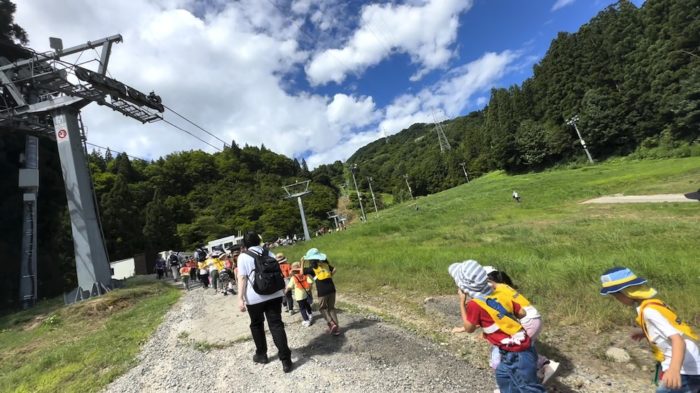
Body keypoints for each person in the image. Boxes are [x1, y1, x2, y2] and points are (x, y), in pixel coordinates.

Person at [449, 260, 545, 393]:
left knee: (529, 388)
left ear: (464, 287)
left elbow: (469, 328)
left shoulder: (475, 304)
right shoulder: (499, 293)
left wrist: (462, 302)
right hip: (520, 346)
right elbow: (522, 313)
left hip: (515, 353)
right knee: (503, 375)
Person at [600, 267, 699, 393]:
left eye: (615, 295)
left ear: (625, 293)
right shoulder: (654, 304)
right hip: (690, 364)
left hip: (683, 368)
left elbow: (678, 340)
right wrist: (645, 332)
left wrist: (674, 369)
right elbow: (672, 327)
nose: (617, 299)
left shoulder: (649, 311)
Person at [482, 266, 559, 384]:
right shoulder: (504, 287)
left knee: (507, 353)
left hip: (527, 321)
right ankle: (541, 367)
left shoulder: (494, 289)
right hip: (534, 319)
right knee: (523, 351)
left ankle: (511, 385)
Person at [237, 231, 292, 373]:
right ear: (258, 241)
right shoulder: (269, 253)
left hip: (254, 298)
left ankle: (261, 355)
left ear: (245, 243)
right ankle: (286, 361)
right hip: (274, 294)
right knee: (276, 325)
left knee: (256, 324)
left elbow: (242, 278)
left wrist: (240, 298)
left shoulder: (243, 256)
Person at [303, 248, 339, 336]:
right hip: (332, 288)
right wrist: (330, 276)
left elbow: (301, 271)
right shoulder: (325, 265)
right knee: (331, 308)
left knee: (322, 308)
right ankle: (336, 329)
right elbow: (334, 269)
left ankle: (331, 323)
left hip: (322, 291)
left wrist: (302, 262)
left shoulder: (312, 268)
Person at [286, 262, 314, 327]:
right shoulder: (305, 275)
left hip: (299, 296)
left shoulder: (293, 278)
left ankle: (306, 321)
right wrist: (309, 289)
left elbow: (289, 287)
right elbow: (311, 283)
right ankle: (310, 315)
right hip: (306, 294)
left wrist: (285, 292)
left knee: (302, 308)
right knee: (307, 305)